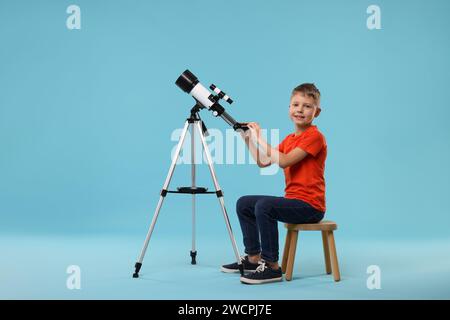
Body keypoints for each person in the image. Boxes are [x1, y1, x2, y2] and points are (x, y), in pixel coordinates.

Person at [221, 83, 327, 284]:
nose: (300, 110)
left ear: (317, 112)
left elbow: (285, 161)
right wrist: (247, 139)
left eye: (307, 106)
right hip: (293, 201)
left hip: (311, 206)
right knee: (244, 203)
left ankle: (272, 266)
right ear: (289, 108)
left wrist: (259, 138)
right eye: (296, 104)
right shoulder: (289, 139)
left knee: (264, 206)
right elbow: (263, 161)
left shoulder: (315, 137)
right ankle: (253, 258)